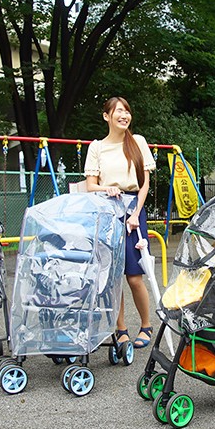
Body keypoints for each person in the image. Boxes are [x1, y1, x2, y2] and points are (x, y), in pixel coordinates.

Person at [84, 97, 156, 349]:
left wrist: (136, 214)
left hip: (133, 210)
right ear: (106, 116)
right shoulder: (97, 147)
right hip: (107, 211)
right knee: (113, 277)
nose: (124, 115)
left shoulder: (137, 142)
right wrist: (107, 189)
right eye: (119, 111)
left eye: (127, 111)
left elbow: (144, 183)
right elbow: (90, 186)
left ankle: (146, 325)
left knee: (134, 276)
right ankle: (121, 329)